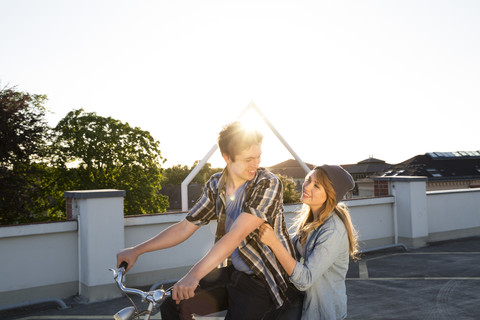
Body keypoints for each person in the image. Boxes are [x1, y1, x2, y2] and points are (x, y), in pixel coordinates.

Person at [116, 121, 294, 320]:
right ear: (227, 157)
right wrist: (136, 250)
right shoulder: (216, 184)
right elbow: (185, 227)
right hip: (234, 272)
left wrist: (194, 275)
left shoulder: (268, 183)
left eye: (258, 156)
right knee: (173, 304)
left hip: (264, 278)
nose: (256, 164)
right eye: (248, 159)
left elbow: (237, 234)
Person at [258, 165, 359, 320]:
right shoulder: (311, 221)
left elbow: (305, 280)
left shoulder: (332, 231)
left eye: (316, 185)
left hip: (324, 313)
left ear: (330, 195)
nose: (307, 186)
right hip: (305, 304)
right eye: (308, 180)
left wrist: (274, 243)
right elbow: (290, 250)